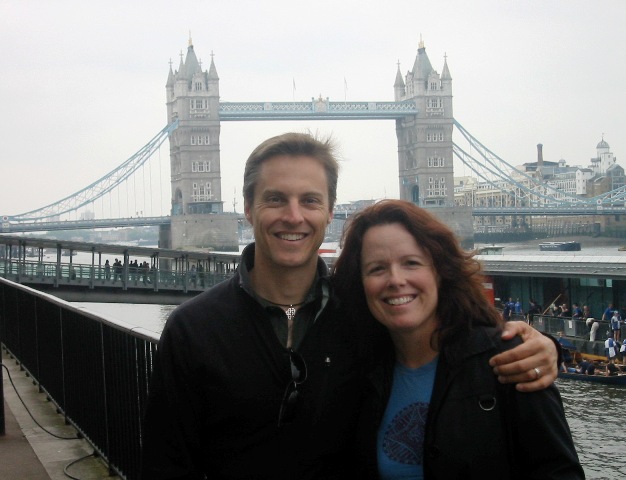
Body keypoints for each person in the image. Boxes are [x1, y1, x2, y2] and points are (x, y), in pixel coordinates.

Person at [140, 133, 560, 480]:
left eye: (309, 200)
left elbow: (444, 338)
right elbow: (164, 465)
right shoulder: (191, 330)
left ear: (328, 213)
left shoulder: (363, 318)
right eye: (275, 199)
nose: (293, 216)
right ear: (248, 209)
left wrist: (542, 344)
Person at [332, 199, 583, 479]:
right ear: (361, 283)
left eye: (411, 263)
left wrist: (552, 347)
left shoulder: (512, 361)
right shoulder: (357, 372)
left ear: (440, 272)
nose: (395, 279)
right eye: (377, 269)